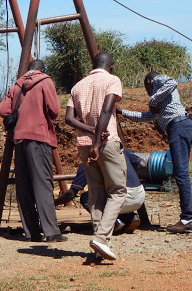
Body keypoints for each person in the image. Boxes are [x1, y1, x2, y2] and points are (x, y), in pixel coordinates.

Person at [0, 60, 67, 243]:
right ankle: (51, 231)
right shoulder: (45, 81)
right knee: (43, 183)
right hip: (39, 137)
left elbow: (2, 109)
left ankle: (31, 232)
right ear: (42, 70)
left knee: (24, 186)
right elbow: (54, 110)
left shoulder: (17, 84)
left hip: (19, 139)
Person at [65, 51, 126, 261]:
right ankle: (101, 238)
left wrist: (90, 132)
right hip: (106, 142)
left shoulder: (77, 86)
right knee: (117, 191)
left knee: (96, 194)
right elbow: (107, 111)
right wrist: (98, 141)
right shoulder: (112, 80)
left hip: (83, 143)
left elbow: (69, 119)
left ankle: (100, 246)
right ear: (111, 66)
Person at [117, 71, 192, 233]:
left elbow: (172, 82)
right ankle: (187, 217)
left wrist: (152, 98)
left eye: (147, 88)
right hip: (177, 127)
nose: (148, 92)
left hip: (178, 126)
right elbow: (146, 116)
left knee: (181, 173)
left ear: (149, 82)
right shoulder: (160, 99)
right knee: (179, 172)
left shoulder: (158, 81)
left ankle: (187, 218)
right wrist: (122, 112)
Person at [54, 149, 152, 233]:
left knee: (86, 197)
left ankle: (113, 222)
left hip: (121, 198)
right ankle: (131, 217)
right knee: (114, 194)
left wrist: (54, 203)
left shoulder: (88, 162)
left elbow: (71, 194)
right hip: (139, 197)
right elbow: (143, 164)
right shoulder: (121, 151)